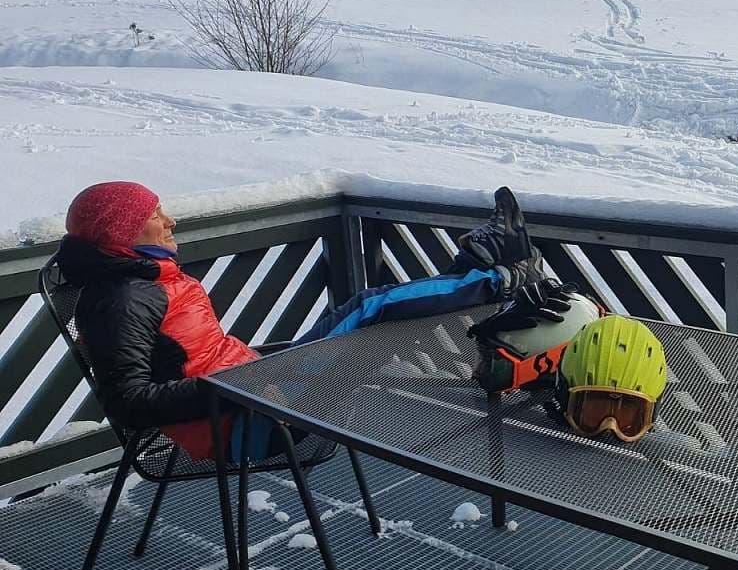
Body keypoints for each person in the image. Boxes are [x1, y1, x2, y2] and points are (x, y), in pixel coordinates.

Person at [58, 181, 557, 461]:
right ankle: (498, 274)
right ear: (122, 232)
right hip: (250, 423)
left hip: (256, 390)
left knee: (367, 312)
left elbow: (192, 361)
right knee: (369, 311)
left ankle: (490, 264)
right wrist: (235, 389)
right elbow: (128, 403)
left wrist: (243, 380)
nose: (171, 223)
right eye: (156, 216)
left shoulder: (142, 280)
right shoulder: (123, 298)